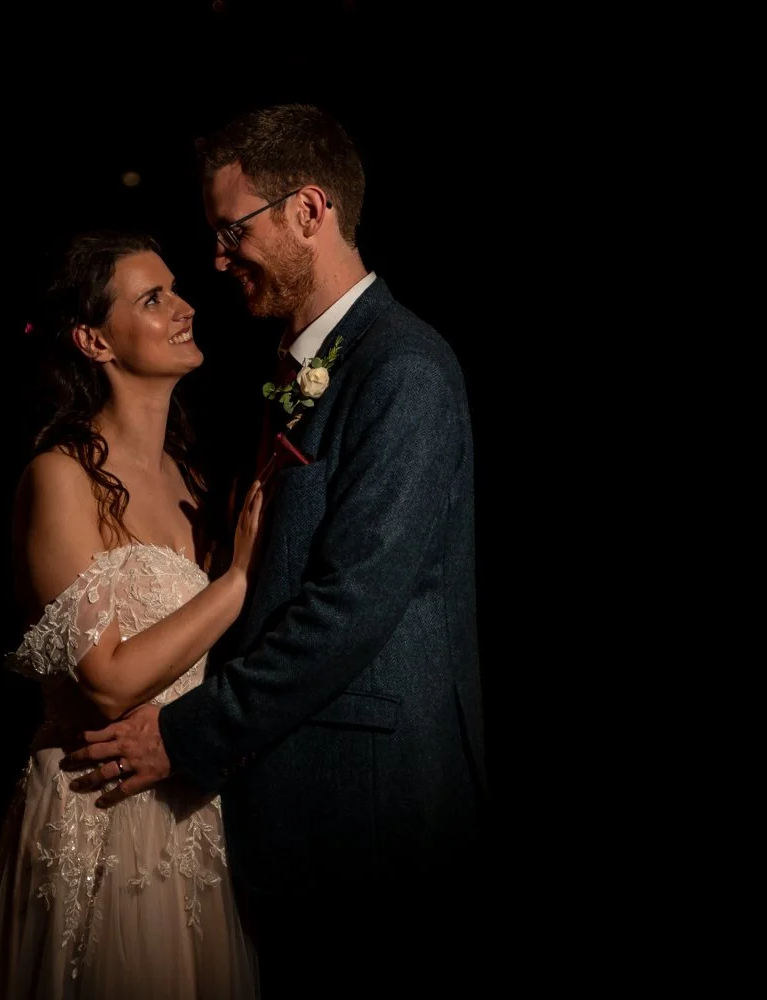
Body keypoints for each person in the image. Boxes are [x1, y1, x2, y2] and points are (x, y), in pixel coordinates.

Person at [60, 104, 488, 996]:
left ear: (308, 210)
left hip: (373, 815)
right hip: (289, 820)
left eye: (231, 231)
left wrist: (183, 735)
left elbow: (349, 608)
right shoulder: (294, 377)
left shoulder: (403, 368)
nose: (217, 262)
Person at [0, 231, 266, 999]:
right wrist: (237, 580)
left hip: (185, 805)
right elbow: (105, 680)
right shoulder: (60, 477)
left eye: (177, 290)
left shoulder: (192, 479)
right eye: (152, 298)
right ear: (95, 340)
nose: (185, 307)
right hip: (95, 811)